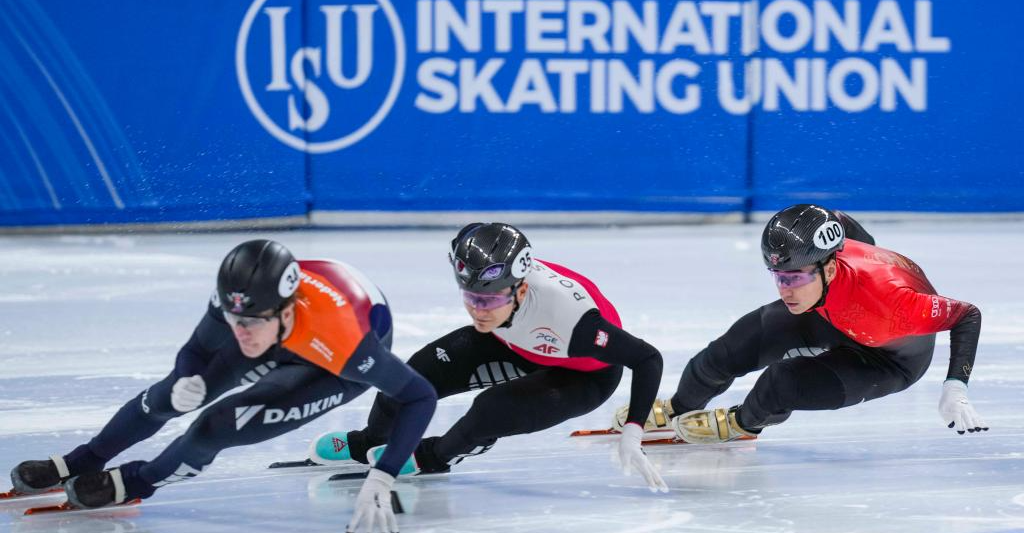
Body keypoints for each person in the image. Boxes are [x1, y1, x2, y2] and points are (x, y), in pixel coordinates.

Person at [8, 240, 437, 533]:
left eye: (251, 323)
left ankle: (137, 481)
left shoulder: (345, 342)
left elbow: (419, 396)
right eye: (234, 322)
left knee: (217, 426)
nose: (241, 332)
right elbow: (197, 350)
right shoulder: (237, 301)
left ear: (286, 309)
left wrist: (384, 473)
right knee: (167, 397)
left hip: (330, 363)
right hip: (290, 332)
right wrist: (186, 377)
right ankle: (82, 460)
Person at [310, 222, 668, 492]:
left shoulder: (576, 322)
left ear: (521, 289)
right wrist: (492, 305)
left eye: (491, 300)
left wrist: (633, 431)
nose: (479, 311)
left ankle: (433, 457)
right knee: (411, 375)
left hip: (585, 375)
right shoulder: (488, 286)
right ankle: (371, 440)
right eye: (471, 298)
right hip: (514, 341)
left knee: (490, 411)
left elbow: (648, 358)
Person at [618, 204, 986, 443]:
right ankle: (678, 406)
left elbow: (967, 314)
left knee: (781, 382)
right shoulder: (820, 257)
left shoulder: (893, 301)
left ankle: (741, 424)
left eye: (794, 278)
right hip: (829, 311)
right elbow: (842, 223)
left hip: (889, 358)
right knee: (729, 350)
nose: (785, 289)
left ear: (830, 268)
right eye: (778, 276)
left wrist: (956, 385)